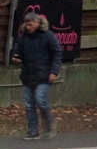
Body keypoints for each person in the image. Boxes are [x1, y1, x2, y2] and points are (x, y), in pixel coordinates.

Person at [11, 12, 62, 140]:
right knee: (29, 104)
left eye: (31, 25)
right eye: (26, 25)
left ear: (37, 23)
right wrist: (16, 57)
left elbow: (57, 54)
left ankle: (50, 123)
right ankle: (33, 130)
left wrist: (54, 72)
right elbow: (17, 49)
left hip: (44, 74)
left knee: (40, 99)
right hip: (28, 74)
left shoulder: (48, 36)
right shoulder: (23, 37)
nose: (28, 27)